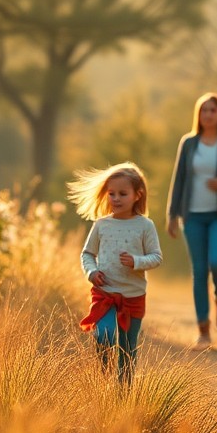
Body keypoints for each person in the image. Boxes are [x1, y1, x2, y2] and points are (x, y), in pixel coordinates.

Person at [69, 162, 163, 384]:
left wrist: (136, 261)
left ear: (137, 195)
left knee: (128, 350)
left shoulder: (145, 226)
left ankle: (123, 392)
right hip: (105, 293)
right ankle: (104, 379)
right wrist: (91, 272)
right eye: (111, 193)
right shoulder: (101, 225)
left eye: (123, 193)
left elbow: (156, 257)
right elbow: (87, 254)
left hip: (133, 296)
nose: (116, 199)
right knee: (104, 336)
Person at [167, 92, 217, 350]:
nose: (208, 114)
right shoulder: (188, 143)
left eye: (212, 110)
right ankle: (204, 331)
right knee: (199, 271)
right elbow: (179, 179)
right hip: (193, 215)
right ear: (198, 115)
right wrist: (172, 214)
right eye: (204, 110)